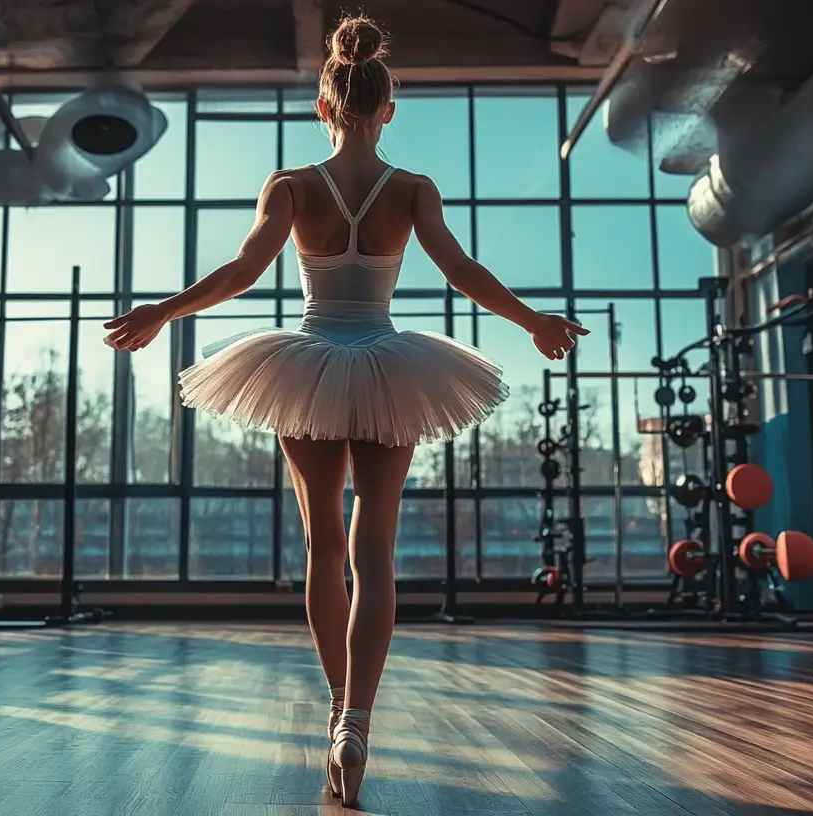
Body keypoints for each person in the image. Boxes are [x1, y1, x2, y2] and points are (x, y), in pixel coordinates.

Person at [104, 12, 586, 806]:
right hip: (392, 366)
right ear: (387, 107)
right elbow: (462, 271)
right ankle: (359, 718)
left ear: (324, 107)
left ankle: (336, 712)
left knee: (325, 547)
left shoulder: (291, 186)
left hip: (312, 364)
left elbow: (242, 271)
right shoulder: (413, 189)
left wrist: (163, 310)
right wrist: (533, 321)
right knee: (376, 553)